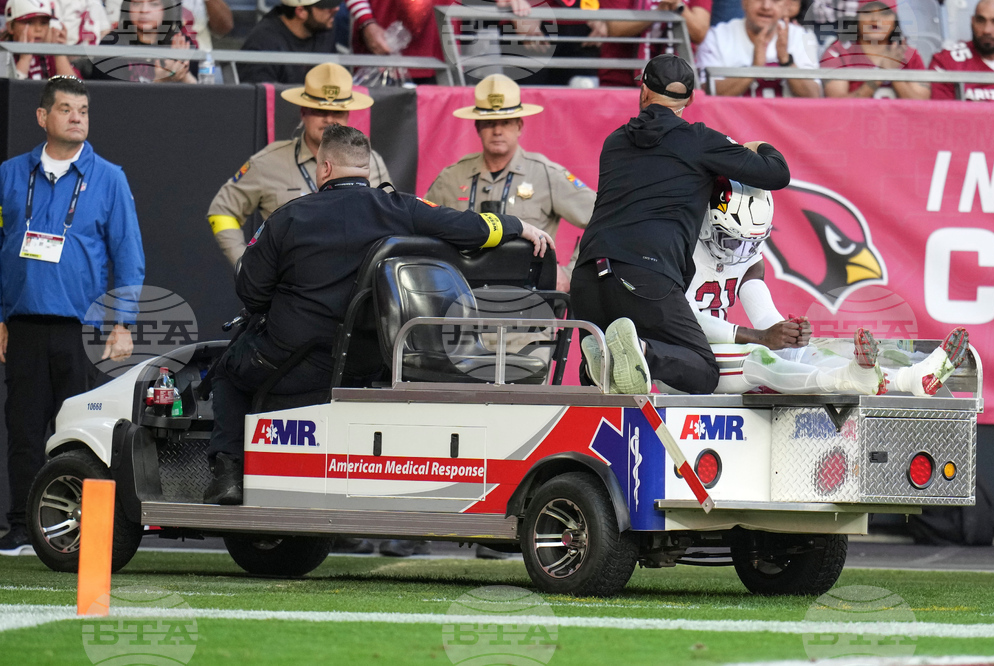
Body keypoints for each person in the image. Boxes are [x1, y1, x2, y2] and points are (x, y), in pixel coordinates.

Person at [203, 124, 553, 506]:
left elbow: (251, 293)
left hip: (293, 363)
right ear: (366, 168)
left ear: (324, 168)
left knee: (226, 372)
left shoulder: (288, 218)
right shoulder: (402, 209)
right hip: (371, 362)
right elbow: (468, 228)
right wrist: (517, 225)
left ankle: (228, 476)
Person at [571, 54, 790, 397]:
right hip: (645, 275)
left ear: (643, 91)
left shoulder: (614, 142)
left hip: (587, 276)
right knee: (703, 371)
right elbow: (777, 173)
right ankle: (642, 351)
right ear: (689, 100)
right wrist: (755, 146)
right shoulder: (698, 140)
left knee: (605, 388)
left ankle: (594, 365)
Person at [0, 77, 145, 554]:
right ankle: (24, 526)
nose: (77, 116)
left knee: (81, 432)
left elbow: (128, 255)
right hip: (21, 325)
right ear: (43, 117)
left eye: (83, 109)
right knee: (23, 432)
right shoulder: (8, 175)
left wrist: (122, 321)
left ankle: (79, 529)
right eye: (66, 108)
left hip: (81, 331)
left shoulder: (109, 177)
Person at [676, 178, 970, 396]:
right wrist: (761, 337)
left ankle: (911, 379)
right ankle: (848, 379)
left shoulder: (749, 256)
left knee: (803, 353)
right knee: (759, 357)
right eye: (734, 240)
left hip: (717, 353)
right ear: (706, 224)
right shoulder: (679, 248)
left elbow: (764, 316)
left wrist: (785, 333)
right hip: (681, 356)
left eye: (753, 242)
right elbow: (679, 319)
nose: (741, 252)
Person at [207, 63, 393, 268]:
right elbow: (222, 209)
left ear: (348, 115)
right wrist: (244, 266)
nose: (330, 119)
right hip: (290, 287)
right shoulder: (269, 161)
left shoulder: (371, 161)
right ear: (303, 111)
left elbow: (390, 218)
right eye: (320, 110)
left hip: (355, 286)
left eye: (338, 112)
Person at [425, 74, 595, 293]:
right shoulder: (451, 178)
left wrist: (571, 273)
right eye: (489, 123)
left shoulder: (545, 174)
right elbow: (423, 228)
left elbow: (603, 217)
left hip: (530, 307)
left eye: (506, 123)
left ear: (519, 126)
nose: (497, 131)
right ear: (477, 128)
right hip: (464, 303)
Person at [697, 0, 821, 97]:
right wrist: (754, 68)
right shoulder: (716, 36)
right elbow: (708, 93)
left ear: (786, 6)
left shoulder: (802, 37)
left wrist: (786, 61)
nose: (766, 6)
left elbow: (814, 95)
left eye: (775, 0)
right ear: (744, 2)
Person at [821, 0, 929, 99]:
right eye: (868, 12)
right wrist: (881, 74)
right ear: (857, 20)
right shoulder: (838, 52)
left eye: (884, 13)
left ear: (894, 22)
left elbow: (922, 108)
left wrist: (893, 74)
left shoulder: (909, 54)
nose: (875, 19)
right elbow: (836, 106)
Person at [600, 0, 713, 88]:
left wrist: (678, 6)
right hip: (621, 82)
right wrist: (658, 12)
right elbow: (614, 28)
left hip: (676, 88)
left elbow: (699, 33)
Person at [90, 0, 199, 83]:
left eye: (154, 4)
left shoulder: (181, 43)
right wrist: (160, 81)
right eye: (137, 3)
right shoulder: (111, 43)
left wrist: (184, 75)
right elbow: (111, 100)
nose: (144, 10)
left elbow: (200, 99)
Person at [238, 0, 340, 84]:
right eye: (325, 7)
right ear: (300, 12)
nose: (336, 9)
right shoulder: (263, 42)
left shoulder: (324, 29)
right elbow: (260, 98)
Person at [930, 0, 994, 102]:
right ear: (972, 21)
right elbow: (943, 114)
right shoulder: (947, 61)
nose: (987, 30)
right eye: (980, 20)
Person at [1, 0, 78, 80]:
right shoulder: (3, 54)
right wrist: (25, 60)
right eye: (29, 23)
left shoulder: (50, 54)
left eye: (43, 23)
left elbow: (76, 89)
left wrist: (59, 53)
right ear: (10, 27)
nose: (38, 29)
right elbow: (9, 90)